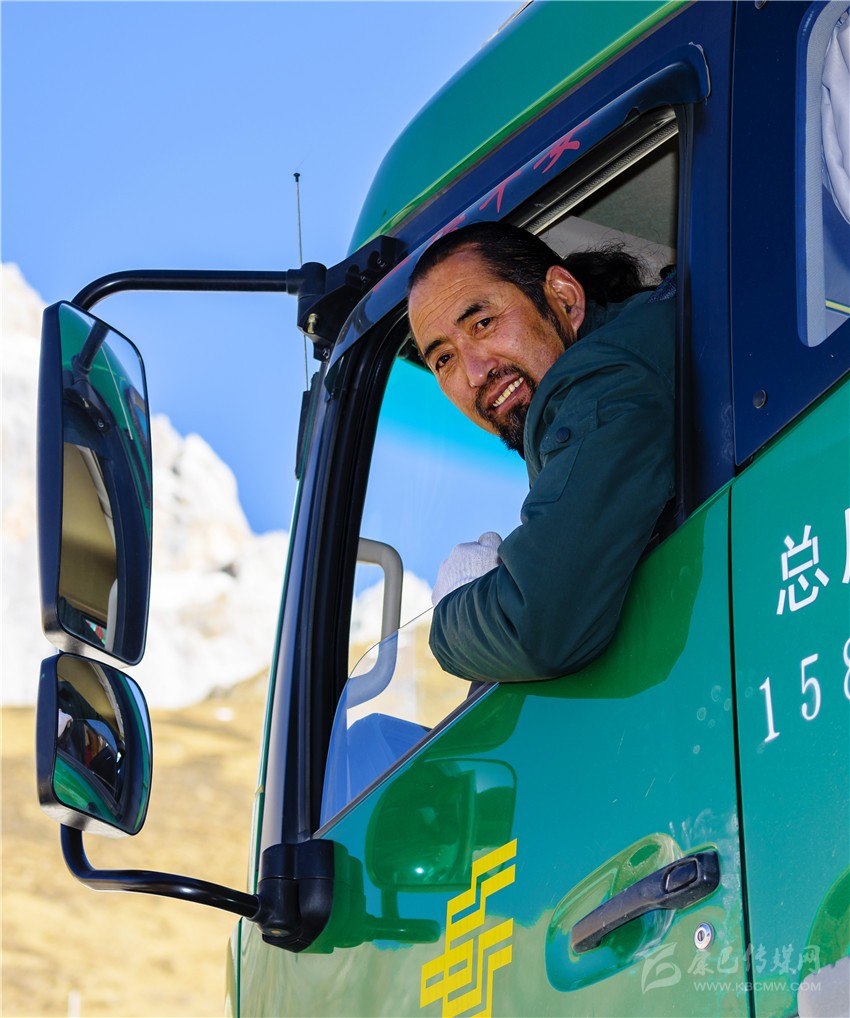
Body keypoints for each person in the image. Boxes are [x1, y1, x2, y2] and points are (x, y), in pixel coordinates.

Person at [407, 221, 676, 683]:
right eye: (444, 359)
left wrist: (452, 614)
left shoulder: (605, 381)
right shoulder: (633, 346)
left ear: (564, 299)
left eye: (483, 323)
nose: (474, 373)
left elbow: (536, 625)